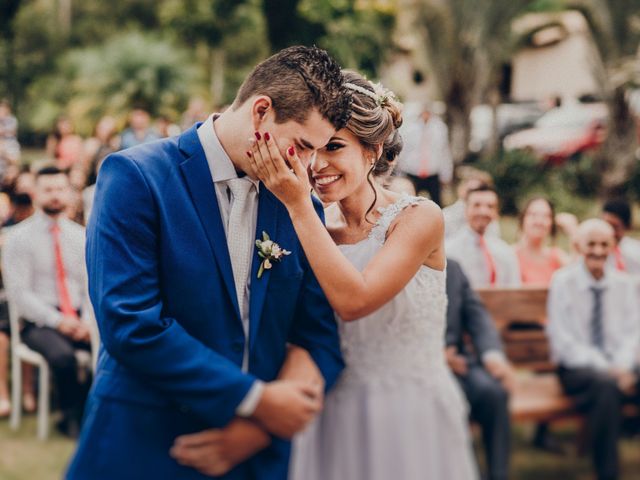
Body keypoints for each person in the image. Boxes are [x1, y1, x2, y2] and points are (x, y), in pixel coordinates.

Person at [66, 45, 349, 480]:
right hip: (148, 445)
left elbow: (318, 337)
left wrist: (256, 432)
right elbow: (131, 324)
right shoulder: (135, 176)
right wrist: (255, 400)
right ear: (260, 113)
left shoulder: (297, 205)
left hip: (254, 460)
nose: (308, 166)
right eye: (302, 146)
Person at [247, 71, 478, 480]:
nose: (316, 165)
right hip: (330, 410)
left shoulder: (418, 218)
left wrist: (298, 205)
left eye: (334, 147)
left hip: (407, 410)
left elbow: (355, 300)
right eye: (310, 148)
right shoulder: (311, 227)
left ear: (372, 150)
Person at [1, 166, 93, 436]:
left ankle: (96, 413)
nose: (55, 195)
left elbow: (89, 286)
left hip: (78, 314)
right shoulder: (18, 237)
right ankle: (71, 418)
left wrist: (86, 321)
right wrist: (58, 321)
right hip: (37, 321)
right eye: (48, 189)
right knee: (64, 357)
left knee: (108, 348)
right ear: (35, 193)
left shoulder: (81, 235)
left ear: (69, 193)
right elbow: (20, 293)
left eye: (60, 189)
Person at [547, 219, 640, 480]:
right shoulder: (562, 282)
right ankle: (607, 473)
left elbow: (632, 333)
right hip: (577, 368)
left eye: (604, 244)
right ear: (577, 246)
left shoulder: (624, 284)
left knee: (609, 388)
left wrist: (623, 366)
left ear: (613, 246)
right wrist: (610, 370)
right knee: (606, 389)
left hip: (620, 366)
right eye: (591, 244)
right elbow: (563, 341)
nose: (598, 251)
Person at [445, 258, 514, 480]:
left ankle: (498, 474)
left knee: (493, 392)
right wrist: (434, 355)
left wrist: (493, 355)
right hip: (420, 366)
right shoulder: (394, 267)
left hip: (460, 363)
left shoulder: (453, 268)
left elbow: (478, 316)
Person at [447, 184, 521, 288]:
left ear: (496, 212)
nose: (483, 211)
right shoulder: (449, 251)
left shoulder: (506, 252)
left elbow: (514, 288)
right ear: (466, 209)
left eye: (490, 206)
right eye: (477, 205)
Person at [397, 103, 453, 205]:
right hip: (412, 171)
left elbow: (444, 151)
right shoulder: (409, 128)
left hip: (433, 173)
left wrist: (446, 174)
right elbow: (403, 150)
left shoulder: (440, 128)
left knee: (437, 203)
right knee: (408, 203)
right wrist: (400, 171)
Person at [514, 197, 569, 285]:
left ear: (551, 223)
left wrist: (573, 231)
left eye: (546, 216)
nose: (539, 221)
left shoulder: (558, 257)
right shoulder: (510, 256)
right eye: (533, 215)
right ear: (523, 219)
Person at [443, 167, 500, 240]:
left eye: (479, 190)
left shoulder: (489, 218)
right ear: (461, 189)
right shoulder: (447, 216)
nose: (474, 195)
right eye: (471, 191)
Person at [601, 198, 640, 274]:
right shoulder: (592, 251)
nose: (609, 231)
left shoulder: (636, 252)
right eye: (605, 224)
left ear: (627, 227)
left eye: (614, 226)